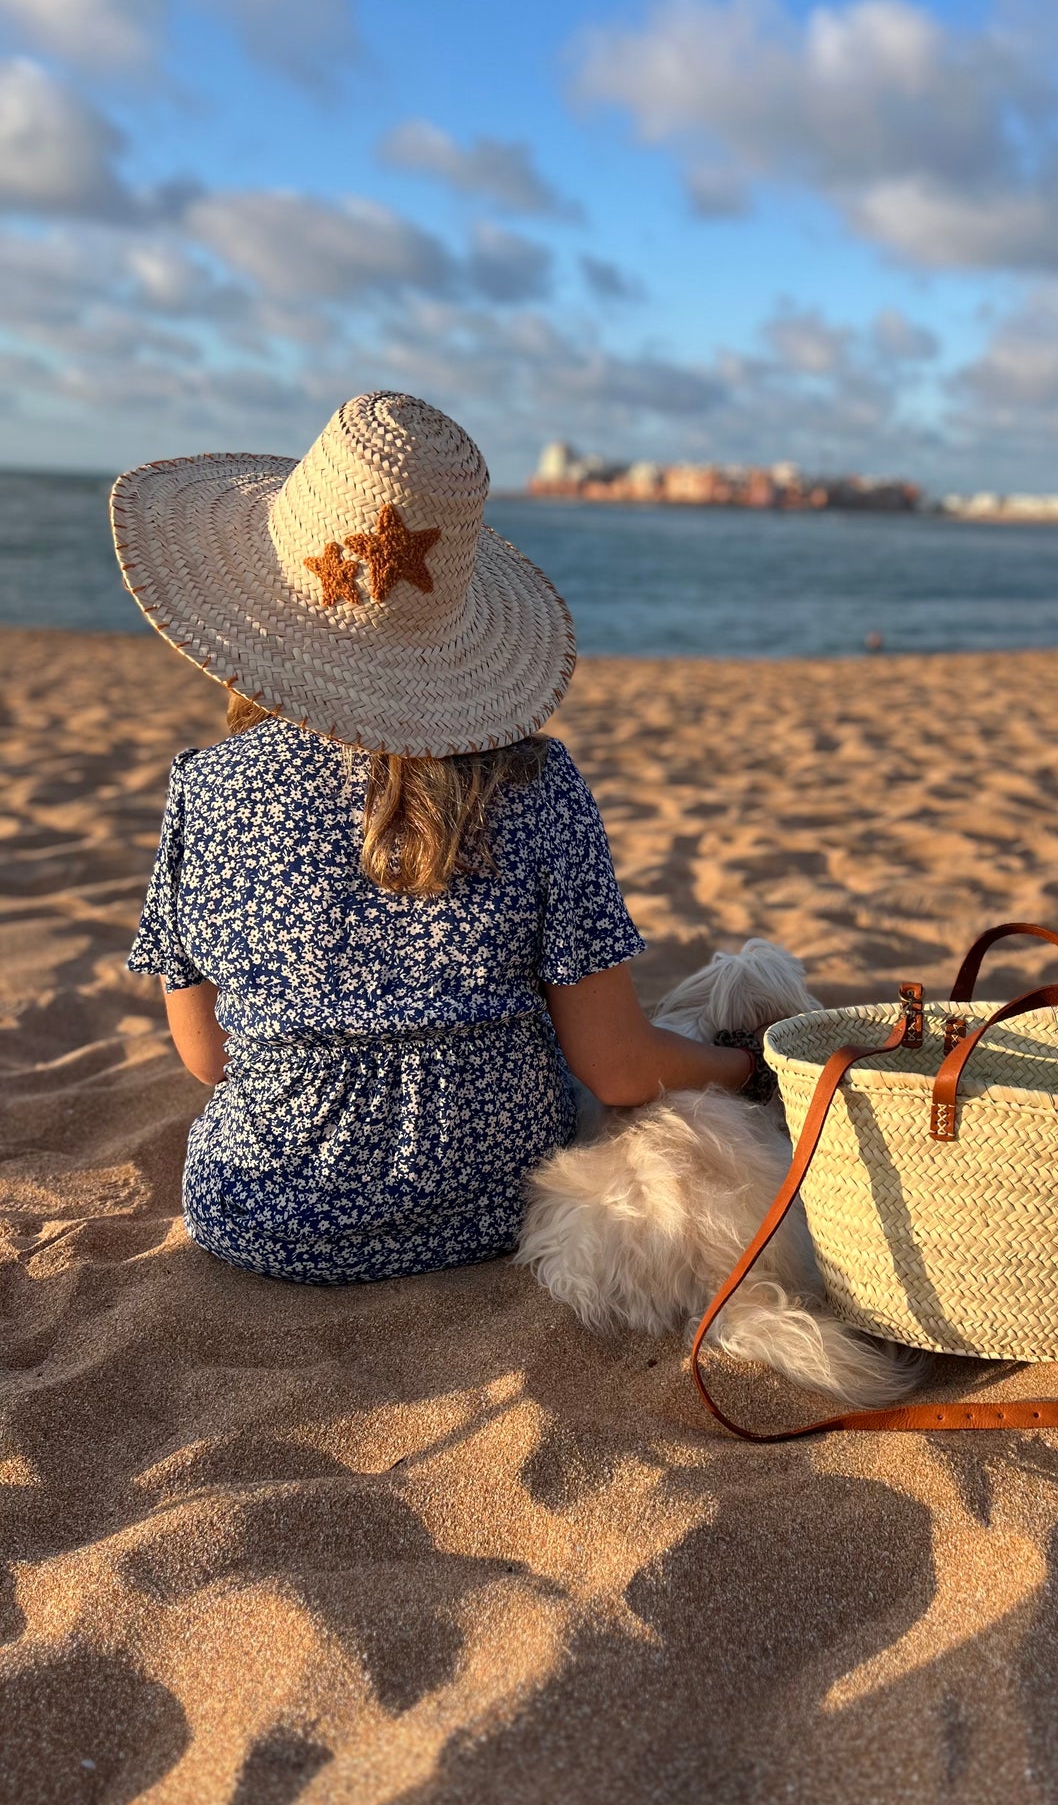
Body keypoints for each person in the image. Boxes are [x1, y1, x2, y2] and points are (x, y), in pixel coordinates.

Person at [117, 391, 757, 1285]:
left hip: (260, 1218)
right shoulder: (536, 784)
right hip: (496, 1204)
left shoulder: (207, 787)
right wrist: (748, 1066)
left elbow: (206, 1056)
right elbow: (616, 1069)